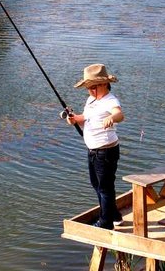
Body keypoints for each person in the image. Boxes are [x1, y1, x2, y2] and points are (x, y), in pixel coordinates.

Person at [65, 63, 125, 229]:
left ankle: (105, 223)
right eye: (88, 87)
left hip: (105, 152)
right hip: (93, 151)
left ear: (104, 84)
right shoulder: (91, 99)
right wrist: (74, 119)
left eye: (94, 87)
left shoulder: (110, 100)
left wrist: (112, 118)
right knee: (97, 185)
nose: (91, 90)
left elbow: (119, 114)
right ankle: (114, 215)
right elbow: (86, 117)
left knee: (105, 187)